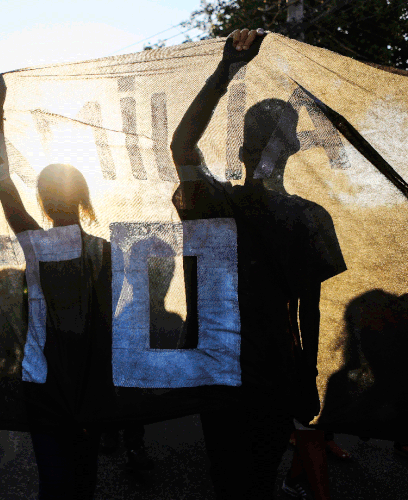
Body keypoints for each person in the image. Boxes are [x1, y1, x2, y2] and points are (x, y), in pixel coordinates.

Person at [170, 28, 347, 499]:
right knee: (256, 480)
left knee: (233, 480)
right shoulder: (306, 215)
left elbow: (182, 145)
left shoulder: (211, 199)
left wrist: (226, 70)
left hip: (223, 369)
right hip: (271, 369)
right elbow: (308, 308)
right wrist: (306, 376)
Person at [0, 74, 115, 500]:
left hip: (44, 384)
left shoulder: (36, 244)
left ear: (41, 201)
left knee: (55, 484)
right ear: (82, 198)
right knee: (82, 480)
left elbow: (3, 183)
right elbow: (108, 329)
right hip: (90, 386)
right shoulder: (104, 251)